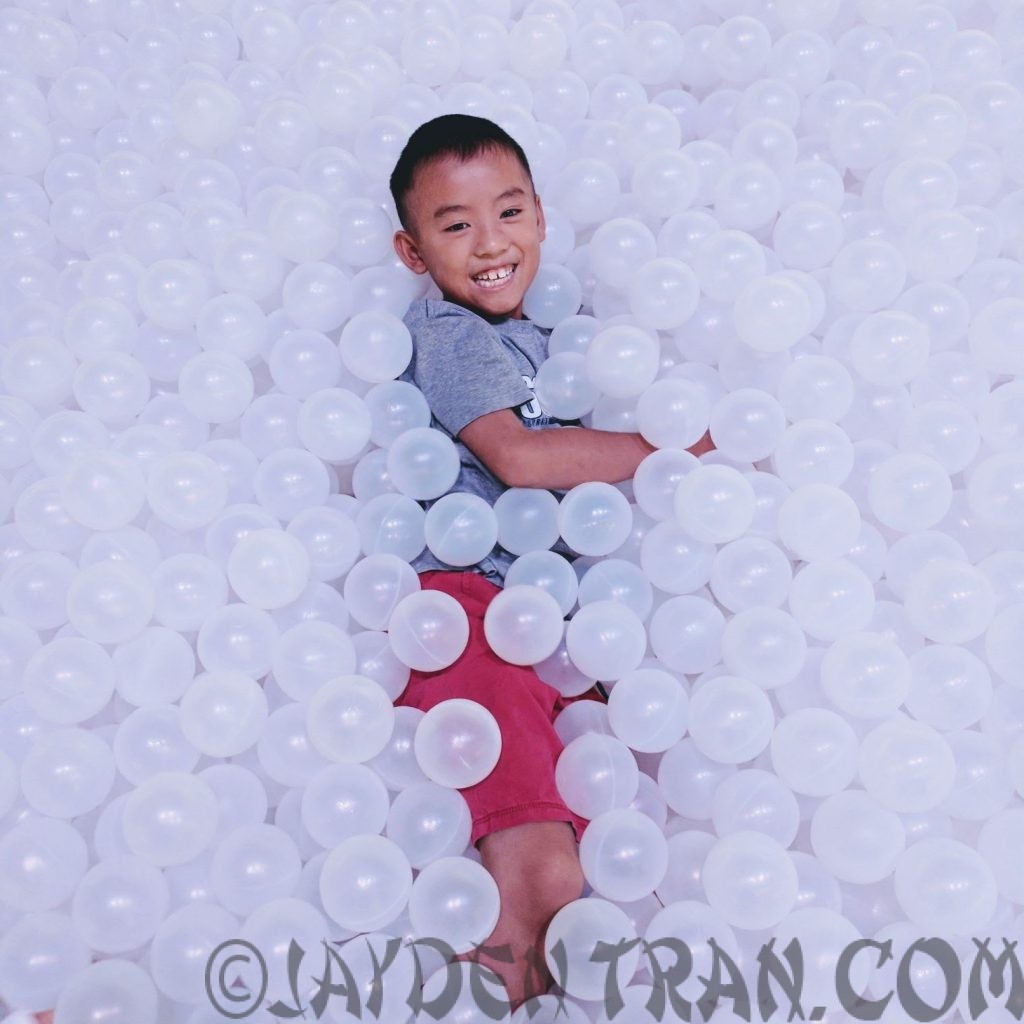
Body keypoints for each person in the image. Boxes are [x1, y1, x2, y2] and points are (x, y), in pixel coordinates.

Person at [388, 113, 714, 1010]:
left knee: (601, 872)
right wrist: (679, 452)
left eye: (510, 212)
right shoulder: (449, 333)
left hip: (553, 625)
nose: (491, 243)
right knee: (540, 874)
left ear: (542, 216)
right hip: (473, 615)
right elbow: (520, 460)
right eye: (455, 226)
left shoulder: (556, 343)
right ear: (413, 254)